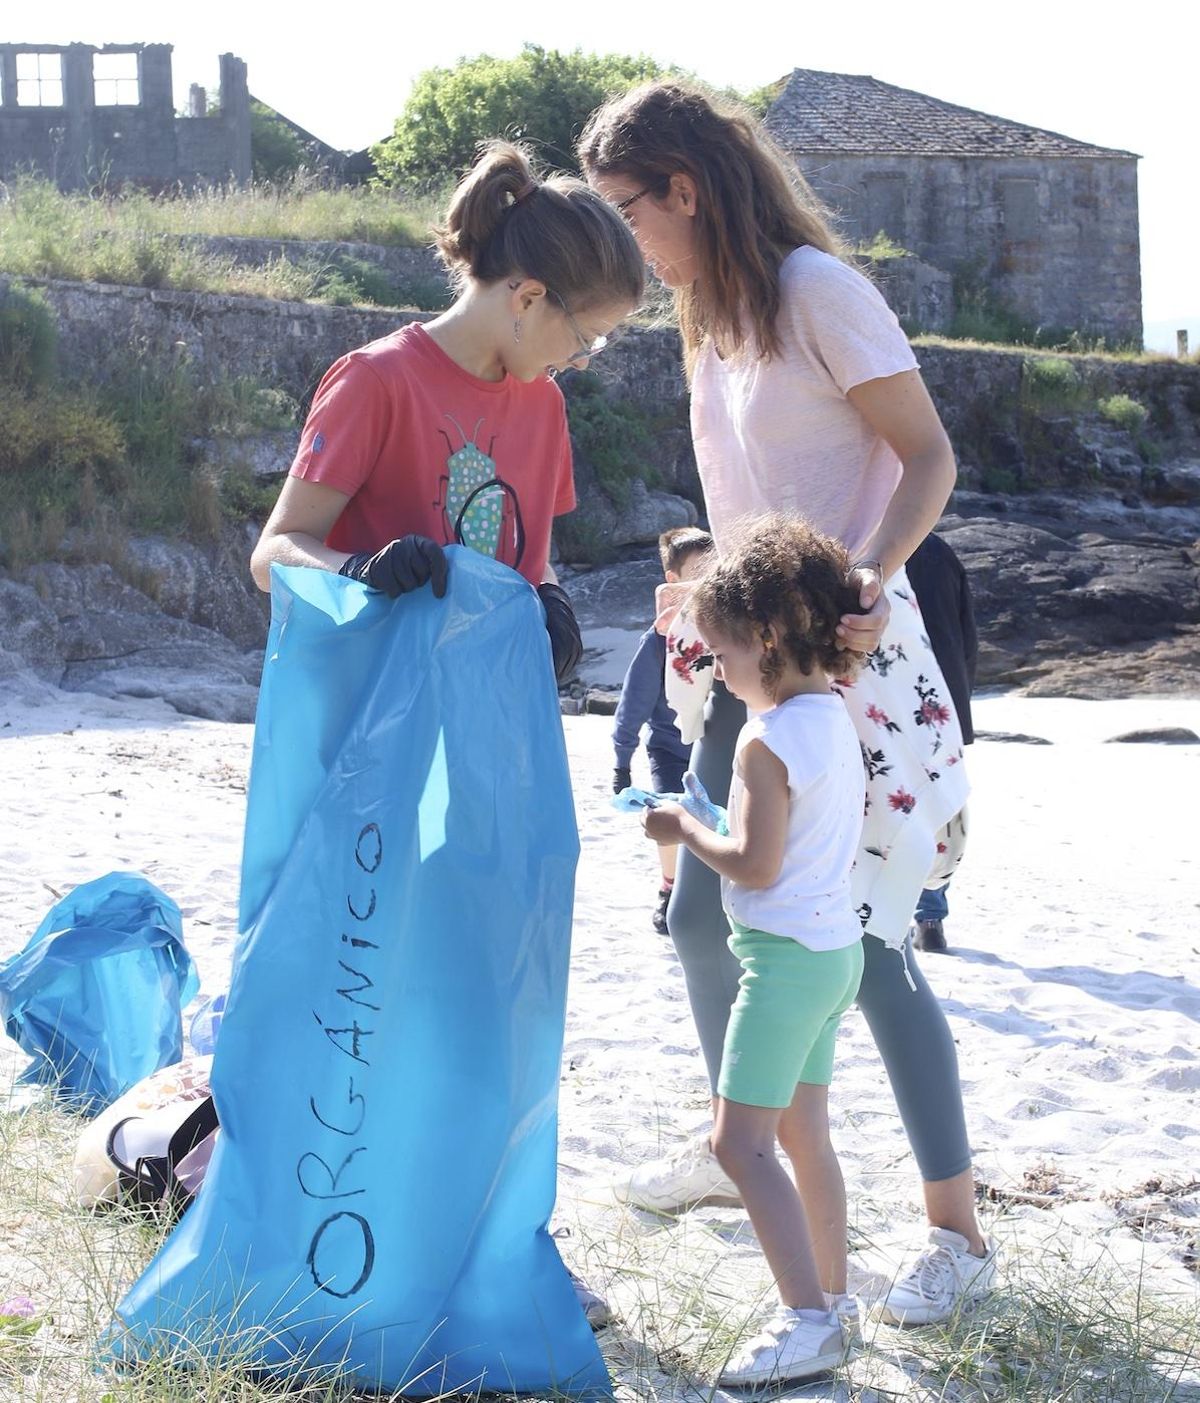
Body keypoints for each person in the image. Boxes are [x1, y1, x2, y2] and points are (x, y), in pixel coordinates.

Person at [580, 82, 997, 1326]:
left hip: (848, 658)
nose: (627, 244)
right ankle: (739, 1144)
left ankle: (956, 1232)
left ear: (687, 190)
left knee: (866, 948)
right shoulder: (707, 315)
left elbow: (929, 458)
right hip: (743, 655)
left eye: (628, 212)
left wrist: (868, 570)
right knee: (703, 918)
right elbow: (752, 488)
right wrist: (699, 582)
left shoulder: (821, 290)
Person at [251, 140, 646, 1330]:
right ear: (528, 296)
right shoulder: (376, 380)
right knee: (361, 996)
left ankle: (473, 1231)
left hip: (485, 759)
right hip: (368, 765)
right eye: (586, 332)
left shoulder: (543, 404)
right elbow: (276, 549)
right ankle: (321, 1243)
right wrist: (363, 568)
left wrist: (556, 608)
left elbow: (530, 561)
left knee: (483, 995)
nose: (586, 356)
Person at [643, 517, 866, 1386]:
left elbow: (754, 861)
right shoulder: (833, 715)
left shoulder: (762, 738)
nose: (720, 672)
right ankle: (836, 1298)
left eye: (725, 654)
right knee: (806, 1132)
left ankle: (807, 1320)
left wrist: (682, 827)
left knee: (741, 1146)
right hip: (833, 952)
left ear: (768, 637)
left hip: (781, 964)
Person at [612, 526, 714, 932]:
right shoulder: (657, 641)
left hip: (714, 745)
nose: (709, 576)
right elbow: (632, 703)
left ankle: (711, 892)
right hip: (670, 748)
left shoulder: (727, 628)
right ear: (672, 580)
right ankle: (668, 888)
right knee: (670, 818)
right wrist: (621, 763)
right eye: (698, 570)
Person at [905, 532, 978, 954]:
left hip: (888, 703)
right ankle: (930, 917)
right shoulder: (938, 551)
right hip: (942, 706)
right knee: (938, 809)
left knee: (887, 808)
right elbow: (967, 636)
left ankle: (900, 913)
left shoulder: (864, 547)